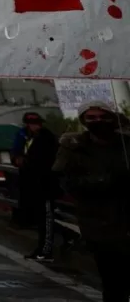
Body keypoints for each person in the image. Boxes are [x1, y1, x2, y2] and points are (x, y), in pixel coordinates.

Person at [53, 101, 130, 301]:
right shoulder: (74, 147)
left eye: (104, 117)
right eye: (92, 118)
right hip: (99, 223)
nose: (99, 121)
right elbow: (65, 181)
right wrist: (104, 181)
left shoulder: (125, 144)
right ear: (84, 121)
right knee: (113, 280)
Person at [12, 112, 60, 262]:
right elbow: (16, 153)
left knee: (45, 218)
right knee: (40, 218)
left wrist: (26, 161)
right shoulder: (25, 137)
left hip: (44, 184)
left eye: (36, 123)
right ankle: (43, 248)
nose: (33, 126)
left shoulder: (46, 138)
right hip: (31, 183)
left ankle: (46, 251)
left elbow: (46, 161)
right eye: (30, 123)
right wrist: (17, 159)